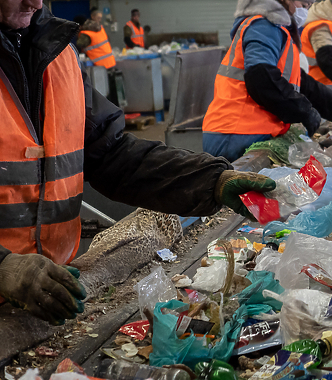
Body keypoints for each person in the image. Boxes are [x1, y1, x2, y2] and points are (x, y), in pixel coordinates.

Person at [0, 0, 276, 326]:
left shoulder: (57, 55)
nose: (35, 2)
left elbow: (114, 156)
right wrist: (5, 267)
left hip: (52, 296)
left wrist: (210, 181)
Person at [203, 0, 332, 162]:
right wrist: (303, 110)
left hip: (247, 131)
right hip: (236, 133)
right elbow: (261, 76)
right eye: (304, 4)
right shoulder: (264, 25)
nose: (307, 8)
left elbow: (303, 83)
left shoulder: (278, 29)